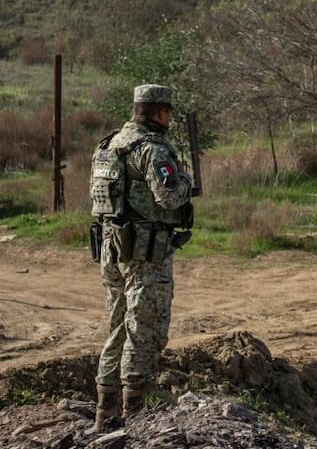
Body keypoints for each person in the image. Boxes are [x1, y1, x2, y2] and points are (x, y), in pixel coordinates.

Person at [91, 84, 194, 428]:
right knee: (144, 325)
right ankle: (136, 406)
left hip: (111, 248)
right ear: (160, 113)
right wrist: (184, 181)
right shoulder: (151, 149)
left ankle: (106, 407)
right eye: (168, 113)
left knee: (117, 323)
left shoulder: (107, 145)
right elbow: (168, 197)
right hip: (145, 253)